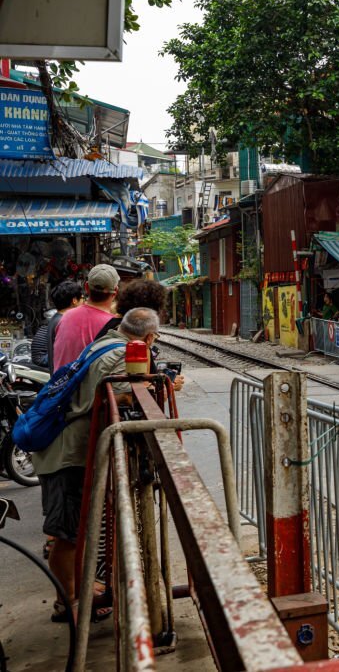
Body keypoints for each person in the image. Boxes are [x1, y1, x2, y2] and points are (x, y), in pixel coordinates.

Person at [36, 307, 161, 623]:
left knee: (76, 528)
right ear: (148, 337)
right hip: (67, 453)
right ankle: (69, 603)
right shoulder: (123, 354)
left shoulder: (104, 342)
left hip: (67, 446)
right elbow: (121, 396)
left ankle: (80, 593)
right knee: (66, 534)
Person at [52, 265, 120, 371]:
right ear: (115, 291)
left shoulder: (66, 317)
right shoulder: (113, 325)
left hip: (61, 386)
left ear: (86, 287)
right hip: (89, 387)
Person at [45, 280, 84, 374]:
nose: (84, 302)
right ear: (74, 301)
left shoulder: (56, 319)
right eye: (82, 298)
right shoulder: (64, 322)